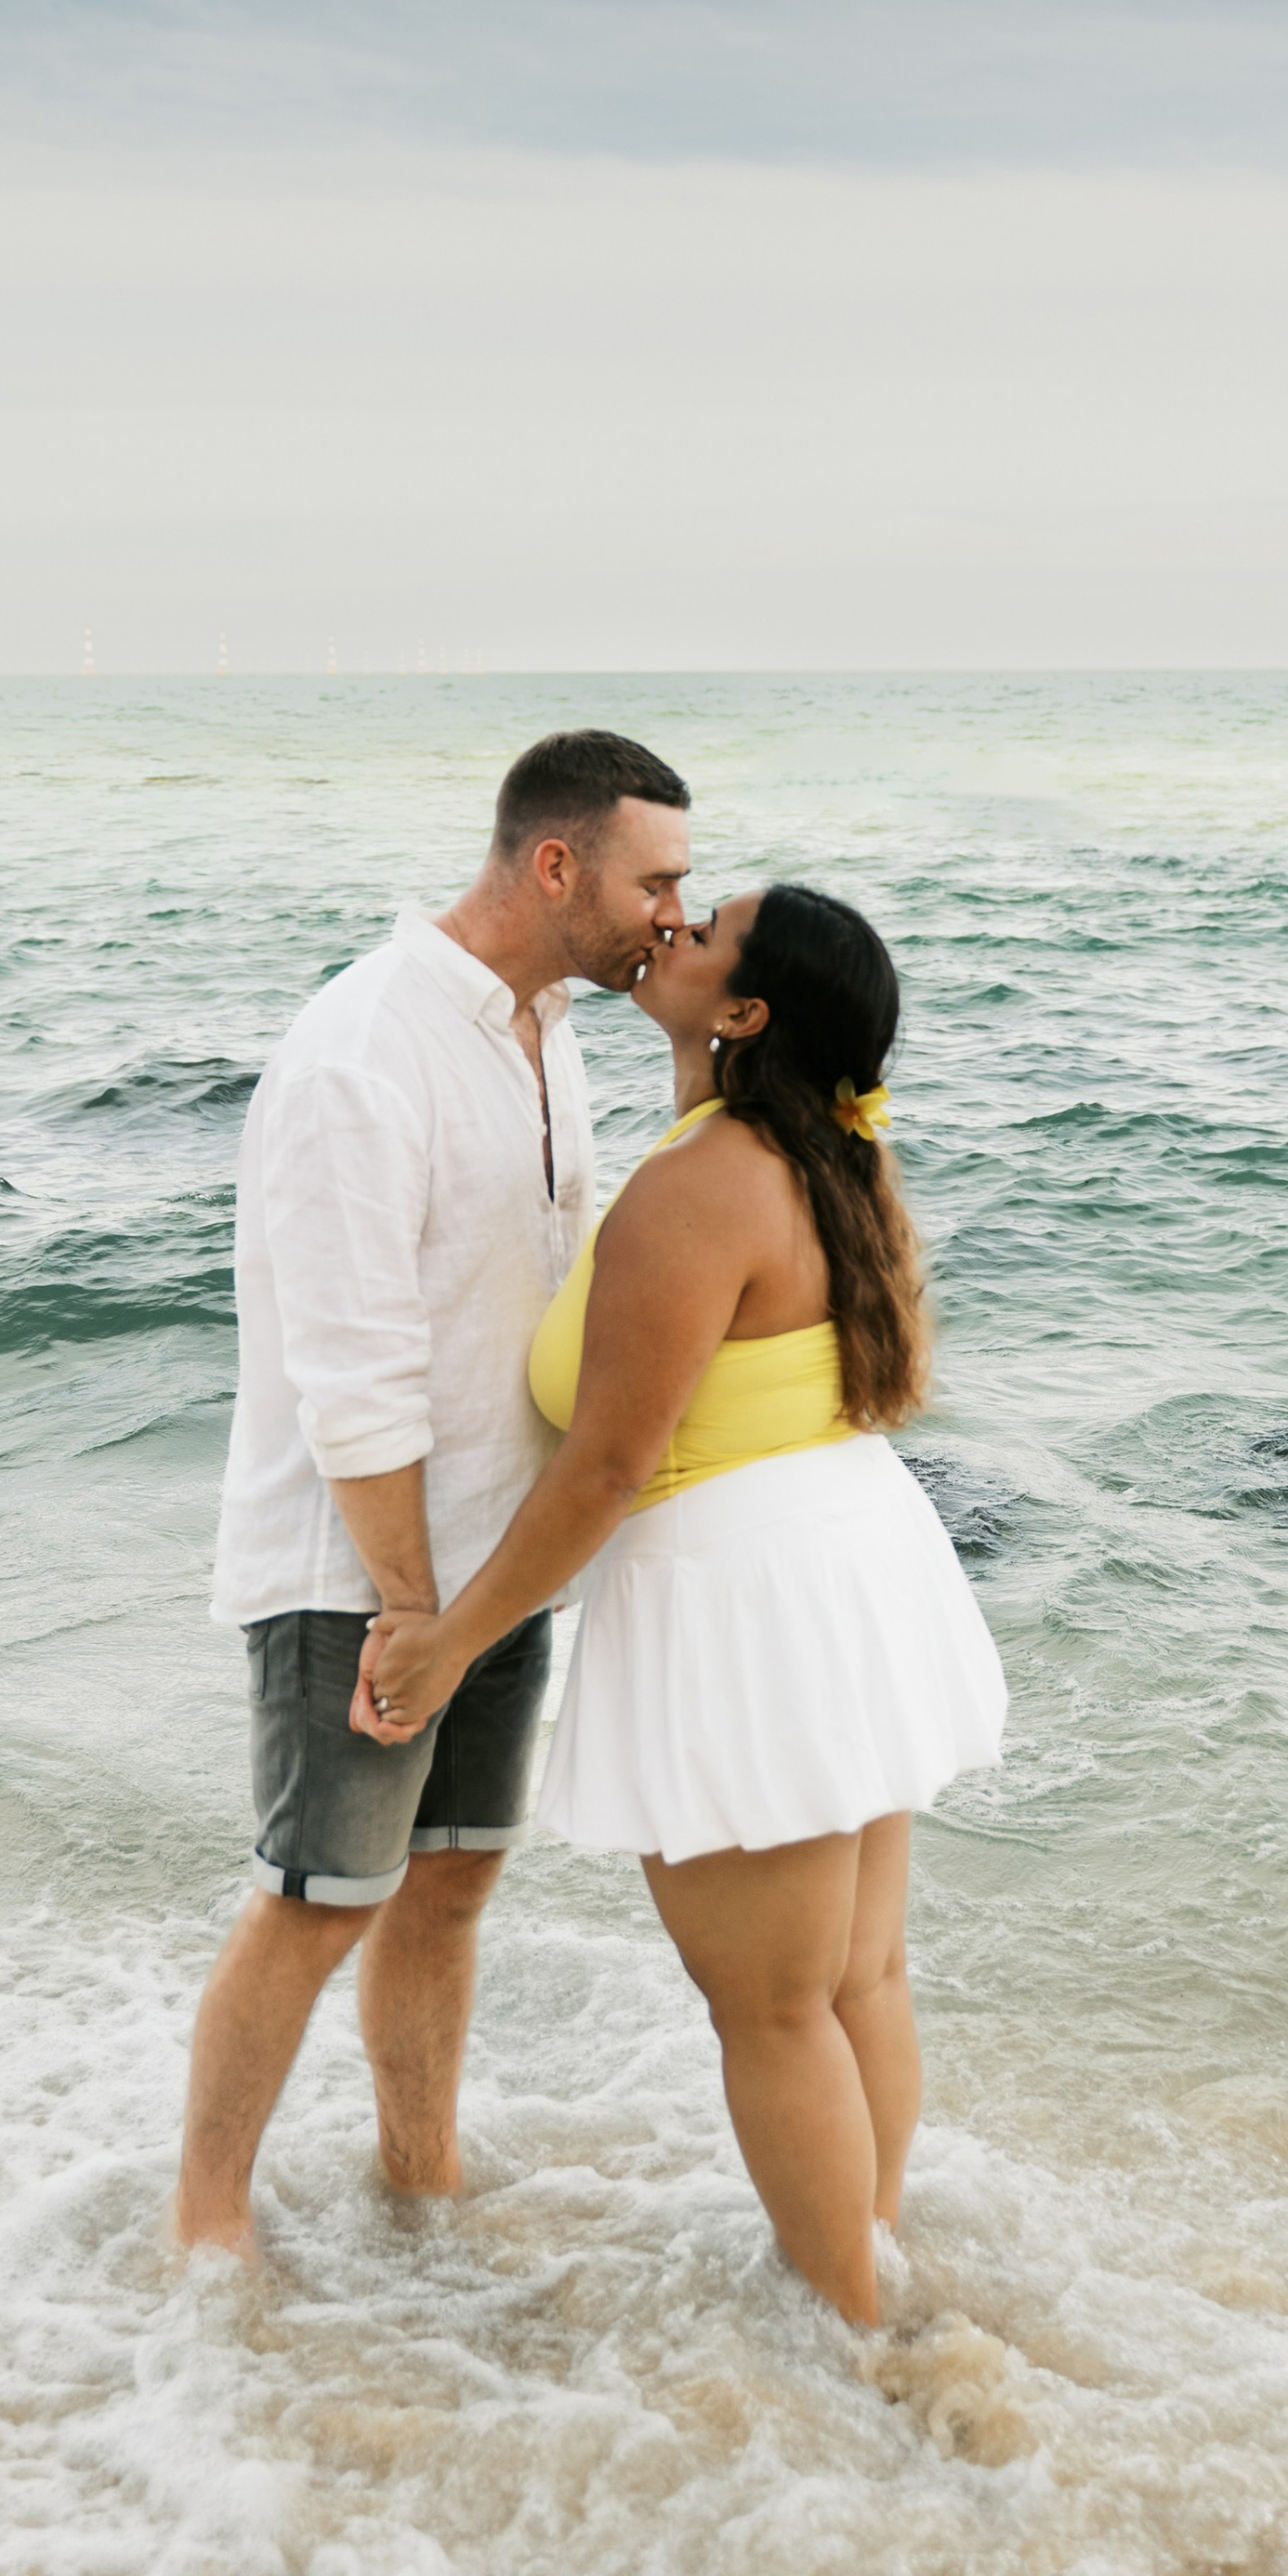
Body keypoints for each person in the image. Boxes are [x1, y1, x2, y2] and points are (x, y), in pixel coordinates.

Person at [358, 884, 1005, 2324]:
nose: (674, 925)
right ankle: (870, 2262)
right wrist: (685, 1057)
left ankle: (859, 2340)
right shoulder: (810, 1152)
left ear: (749, 1009)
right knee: (858, 1979)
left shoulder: (700, 1188)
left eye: (705, 926)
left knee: (775, 2013)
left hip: (749, 1600)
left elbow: (602, 1471)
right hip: (851, 1559)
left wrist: (452, 1641)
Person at [172, 729, 692, 2256]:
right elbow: (354, 1372)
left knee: (454, 1885)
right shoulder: (364, 1053)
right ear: (555, 865)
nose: (676, 909)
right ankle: (205, 2226)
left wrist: (490, 1598)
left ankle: (421, 2176)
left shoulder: (548, 1029)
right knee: (322, 1896)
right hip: (364, 1576)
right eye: (656, 878)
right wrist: (415, 1611)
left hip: (495, 1566)